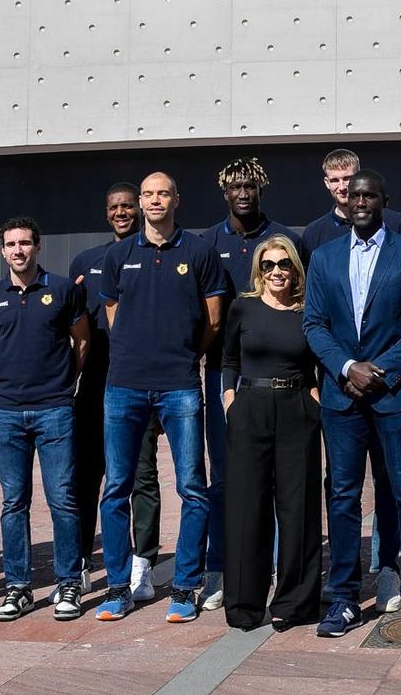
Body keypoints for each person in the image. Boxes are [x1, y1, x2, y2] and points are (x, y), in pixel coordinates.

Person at [303, 170, 401, 642]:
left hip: (394, 396)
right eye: (354, 195)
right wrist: (346, 367)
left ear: (384, 199)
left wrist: (376, 369)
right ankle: (343, 598)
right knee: (342, 497)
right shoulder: (323, 257)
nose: (360, 201)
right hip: (342, 398)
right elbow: (314, 324)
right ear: (345, 201)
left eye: (369, 195)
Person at [96, 171, 226, 623]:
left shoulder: (199, 252)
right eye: (147, 194)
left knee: (192, 487)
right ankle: (118, 586)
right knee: (116, 488)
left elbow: (212, 321)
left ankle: (186, 587)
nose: (154, 201)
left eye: (162, 193)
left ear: (177, 199)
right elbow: (114, 315)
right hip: (123, 387)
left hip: (180, 386)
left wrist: (182, 355)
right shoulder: (118, 255)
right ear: (140, 202)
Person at [201, 155, 306, 614]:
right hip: (237, 385)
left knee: (289, 492)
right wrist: (227, 394)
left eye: (250, 186)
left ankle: (287, 576)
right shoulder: (209, 242)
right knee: (229, 484)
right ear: (225, 192)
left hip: (287, 387)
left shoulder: (284, 240)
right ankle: (229, 574)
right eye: (235, 187)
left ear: (261, 189)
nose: (243, 193)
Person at [0, 218, 90, 621]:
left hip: (55, 409)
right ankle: (18, 586)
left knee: (63, 499)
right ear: (2, 251)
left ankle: (68, 583)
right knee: (13, 502)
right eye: (11, 244)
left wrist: (63, 383)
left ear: (38, 247)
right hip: (6, 412)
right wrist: (7, 380)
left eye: (25, 243)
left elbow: (82, 340)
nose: (18, 250)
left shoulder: (62, 291)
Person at [221, 234, 322, 631]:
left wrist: (313, 404)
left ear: (295, 269)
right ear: (259, 271)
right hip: (250, 409)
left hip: (297, 410)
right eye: (269, 265)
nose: (276, 271)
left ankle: (293, 603)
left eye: (283, 264)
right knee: (248, 508)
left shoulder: (309, 312)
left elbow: (319, 362)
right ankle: (244, 604)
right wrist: (230, 399)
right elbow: (228, 357)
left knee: (298, 509)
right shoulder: (242, 308)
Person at [69, 184, 162, 604]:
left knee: (141, 474)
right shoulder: (86, 262)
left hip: (139, 379)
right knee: (88, 474)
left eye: (128, 206)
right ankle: (85, 561)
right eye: (114, 208)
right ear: (106, 213)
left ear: (140, 208)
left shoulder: (154, 257)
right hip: (95, 383)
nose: (122, 212)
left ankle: (143, 560)